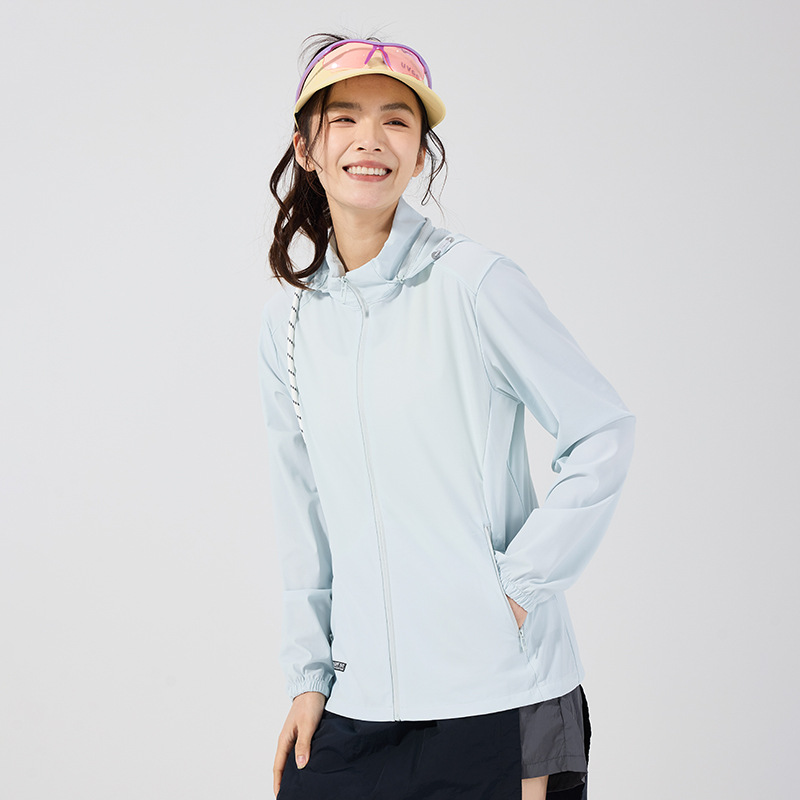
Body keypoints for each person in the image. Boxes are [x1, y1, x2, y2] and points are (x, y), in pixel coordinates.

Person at [257, 34, 635, 800]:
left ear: (421, 153)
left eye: (396, 121)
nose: (371, 139)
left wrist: (516, 590)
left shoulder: (475, 283)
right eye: (344, 119)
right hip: (358, 703)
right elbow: (303, 510)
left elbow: (601, 429)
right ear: (306, 148)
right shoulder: (290, 322)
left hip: (501, 696)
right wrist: (308, 678)